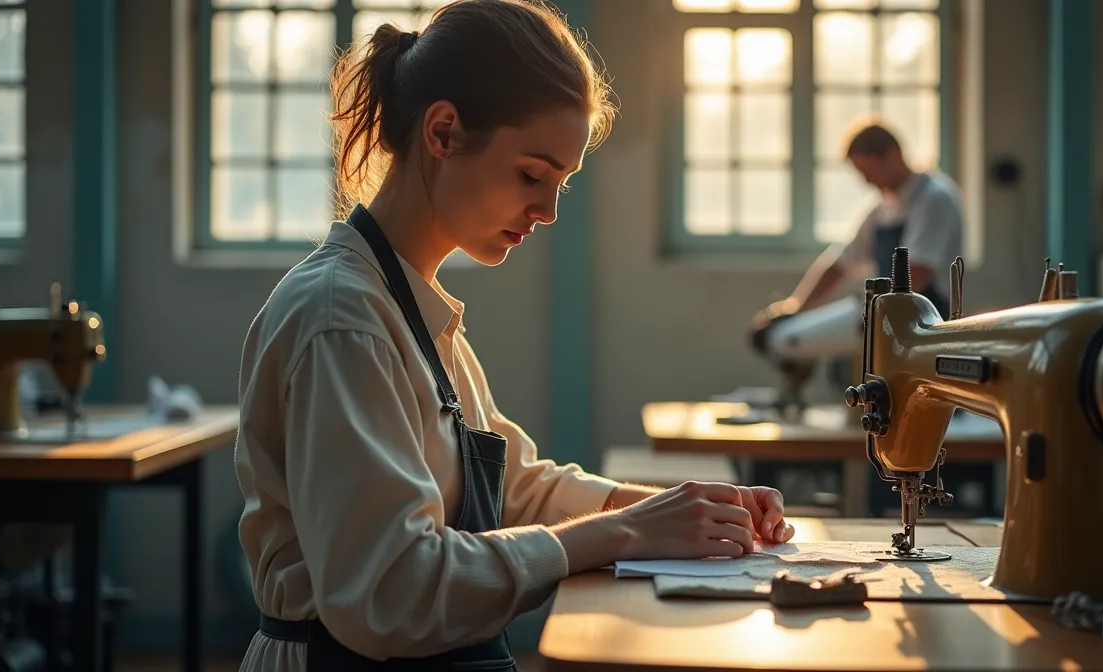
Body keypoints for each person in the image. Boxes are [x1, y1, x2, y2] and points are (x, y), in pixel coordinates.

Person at [231, 2, 795, 670]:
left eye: (561, 183)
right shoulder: (342, 320)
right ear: (443, 132)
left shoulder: (410, 308)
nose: (549, 210)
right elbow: (390, 591)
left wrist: (686, 511)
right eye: (532, 174)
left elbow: (517, 489)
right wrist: (623, 531)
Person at [764, 120, 964, 321]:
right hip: (889, 317)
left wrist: (862, 317)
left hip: (926, 321)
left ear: (893, 157)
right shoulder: (881, 209)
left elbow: (916, 274)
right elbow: (839, 263)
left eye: (868, 172)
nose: (866, 181)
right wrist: (796, 308)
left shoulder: (934, 199)